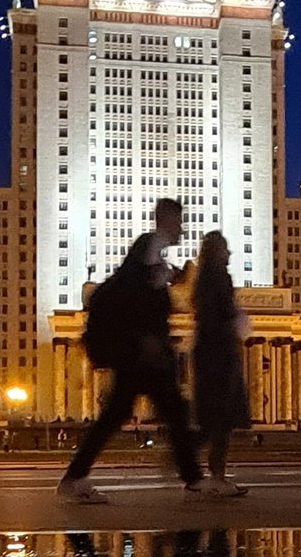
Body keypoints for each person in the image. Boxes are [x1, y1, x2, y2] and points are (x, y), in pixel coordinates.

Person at [60, 197, 219, 503]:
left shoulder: (153, 253)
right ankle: (73, 479)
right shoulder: (150, 244)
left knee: (159, 410)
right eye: (178, 222)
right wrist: (148, 335)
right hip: (140, 353)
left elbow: (144, 287)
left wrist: (168, 277)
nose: (181, 229)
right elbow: (136, 293)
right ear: (167, 218)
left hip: (144, 352)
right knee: (146, 412)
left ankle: (192, 478)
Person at [188, 230, 250, 496]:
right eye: (225, 249)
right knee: (222, 417)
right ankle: (216, 476)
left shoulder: (201, 280)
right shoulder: (219, 277)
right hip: (221, 353)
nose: (230, 254)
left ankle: (191, 464)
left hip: (206, 351)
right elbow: (223, 313)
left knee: (212, 417)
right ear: (217, 251)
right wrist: (237, 322)